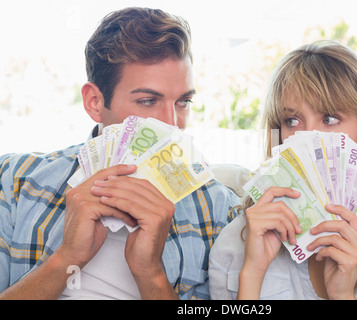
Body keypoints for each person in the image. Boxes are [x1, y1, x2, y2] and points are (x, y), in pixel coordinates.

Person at [0, 7, 239, 300]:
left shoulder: (219, 208)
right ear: (95, 102)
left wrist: (151, 274)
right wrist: (67, 257)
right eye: (148, 100)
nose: (171, 125)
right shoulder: (16, 181)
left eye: (183, 102)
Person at [209, 40, 357, 300]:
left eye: (330, 118)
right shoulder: (235, 244)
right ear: (277, 137)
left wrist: (343, 295)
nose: (310, 137)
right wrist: (252, 275)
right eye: (292, 121)